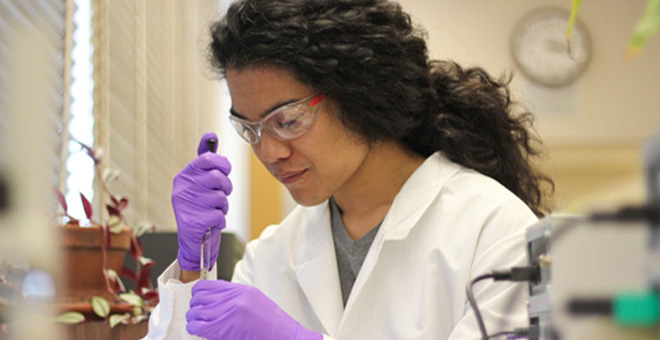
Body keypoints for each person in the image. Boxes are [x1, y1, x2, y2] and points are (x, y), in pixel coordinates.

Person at [143, 0, 553, 339]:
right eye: (249, 129)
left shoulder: (495, 228)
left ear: (361, 96)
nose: (268, 152)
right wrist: (192, 267)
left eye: (286, 121)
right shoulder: (273, 254)